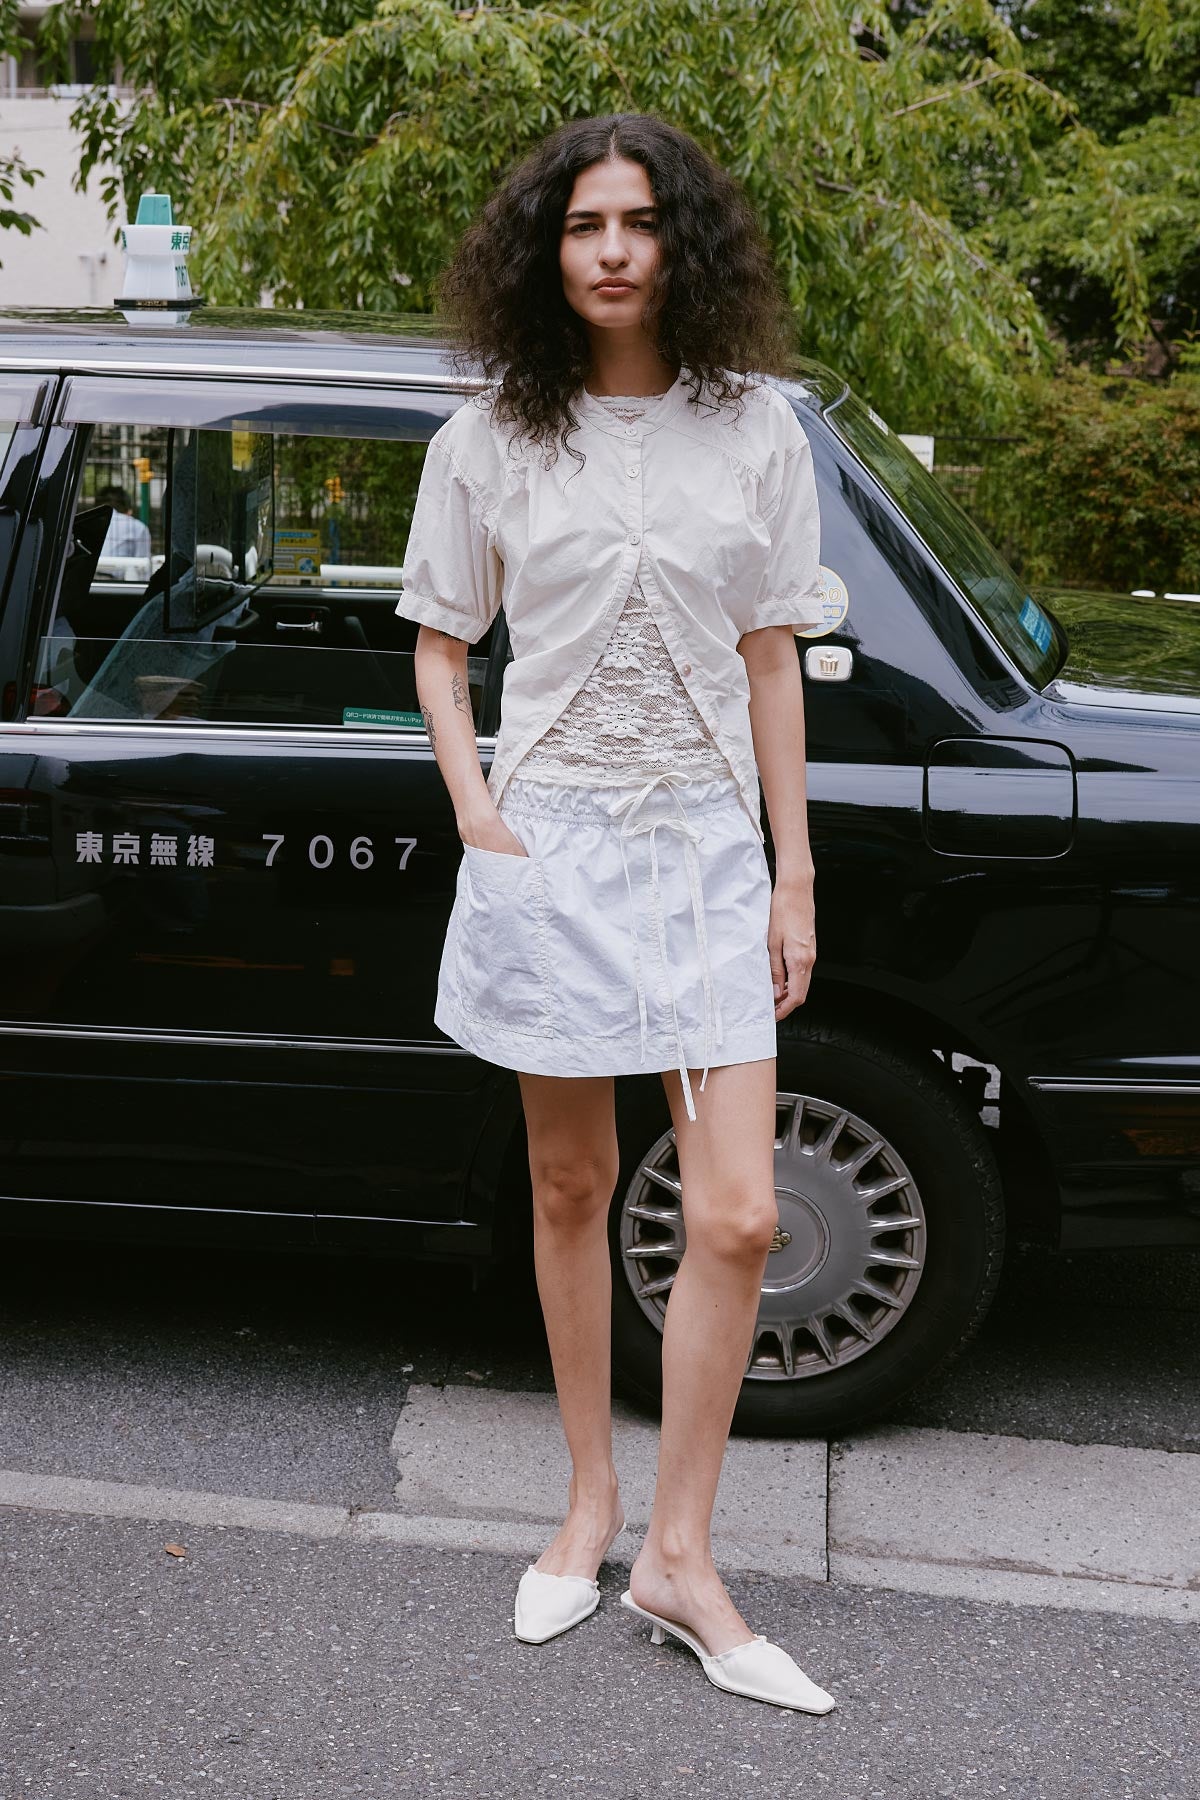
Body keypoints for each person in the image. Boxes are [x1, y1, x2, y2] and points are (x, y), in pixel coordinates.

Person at [395, 113, 833, 1715]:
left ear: (681, 243)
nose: (612, 250)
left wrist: (792, 865)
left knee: (735, 1216)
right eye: (583, 225)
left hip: (709, 858)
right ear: (544, 249)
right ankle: (588, 1501)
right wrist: (481, 817)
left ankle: (680, 1552)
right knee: (571, 1180)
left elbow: (773, 649)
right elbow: (444, 644)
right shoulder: (491, 439)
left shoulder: (758, 430)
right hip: (551, 847)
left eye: (640, 222)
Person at [97, 484, 152, 562]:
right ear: (129, 510)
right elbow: (143, 565)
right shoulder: (138, 526)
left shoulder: (88, 523)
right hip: (118, 573)